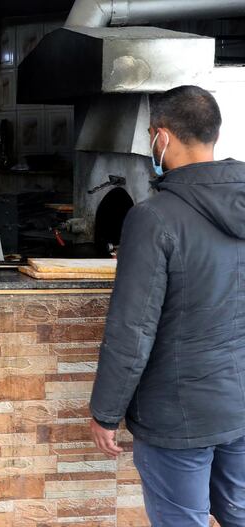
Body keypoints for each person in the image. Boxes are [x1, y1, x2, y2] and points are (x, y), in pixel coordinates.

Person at [88, 85, 245, 526]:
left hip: (177, 414)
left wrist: (105, 412)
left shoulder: (154, 218)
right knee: (238, 513)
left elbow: (131, 331)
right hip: (239, 402)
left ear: (161, 136)